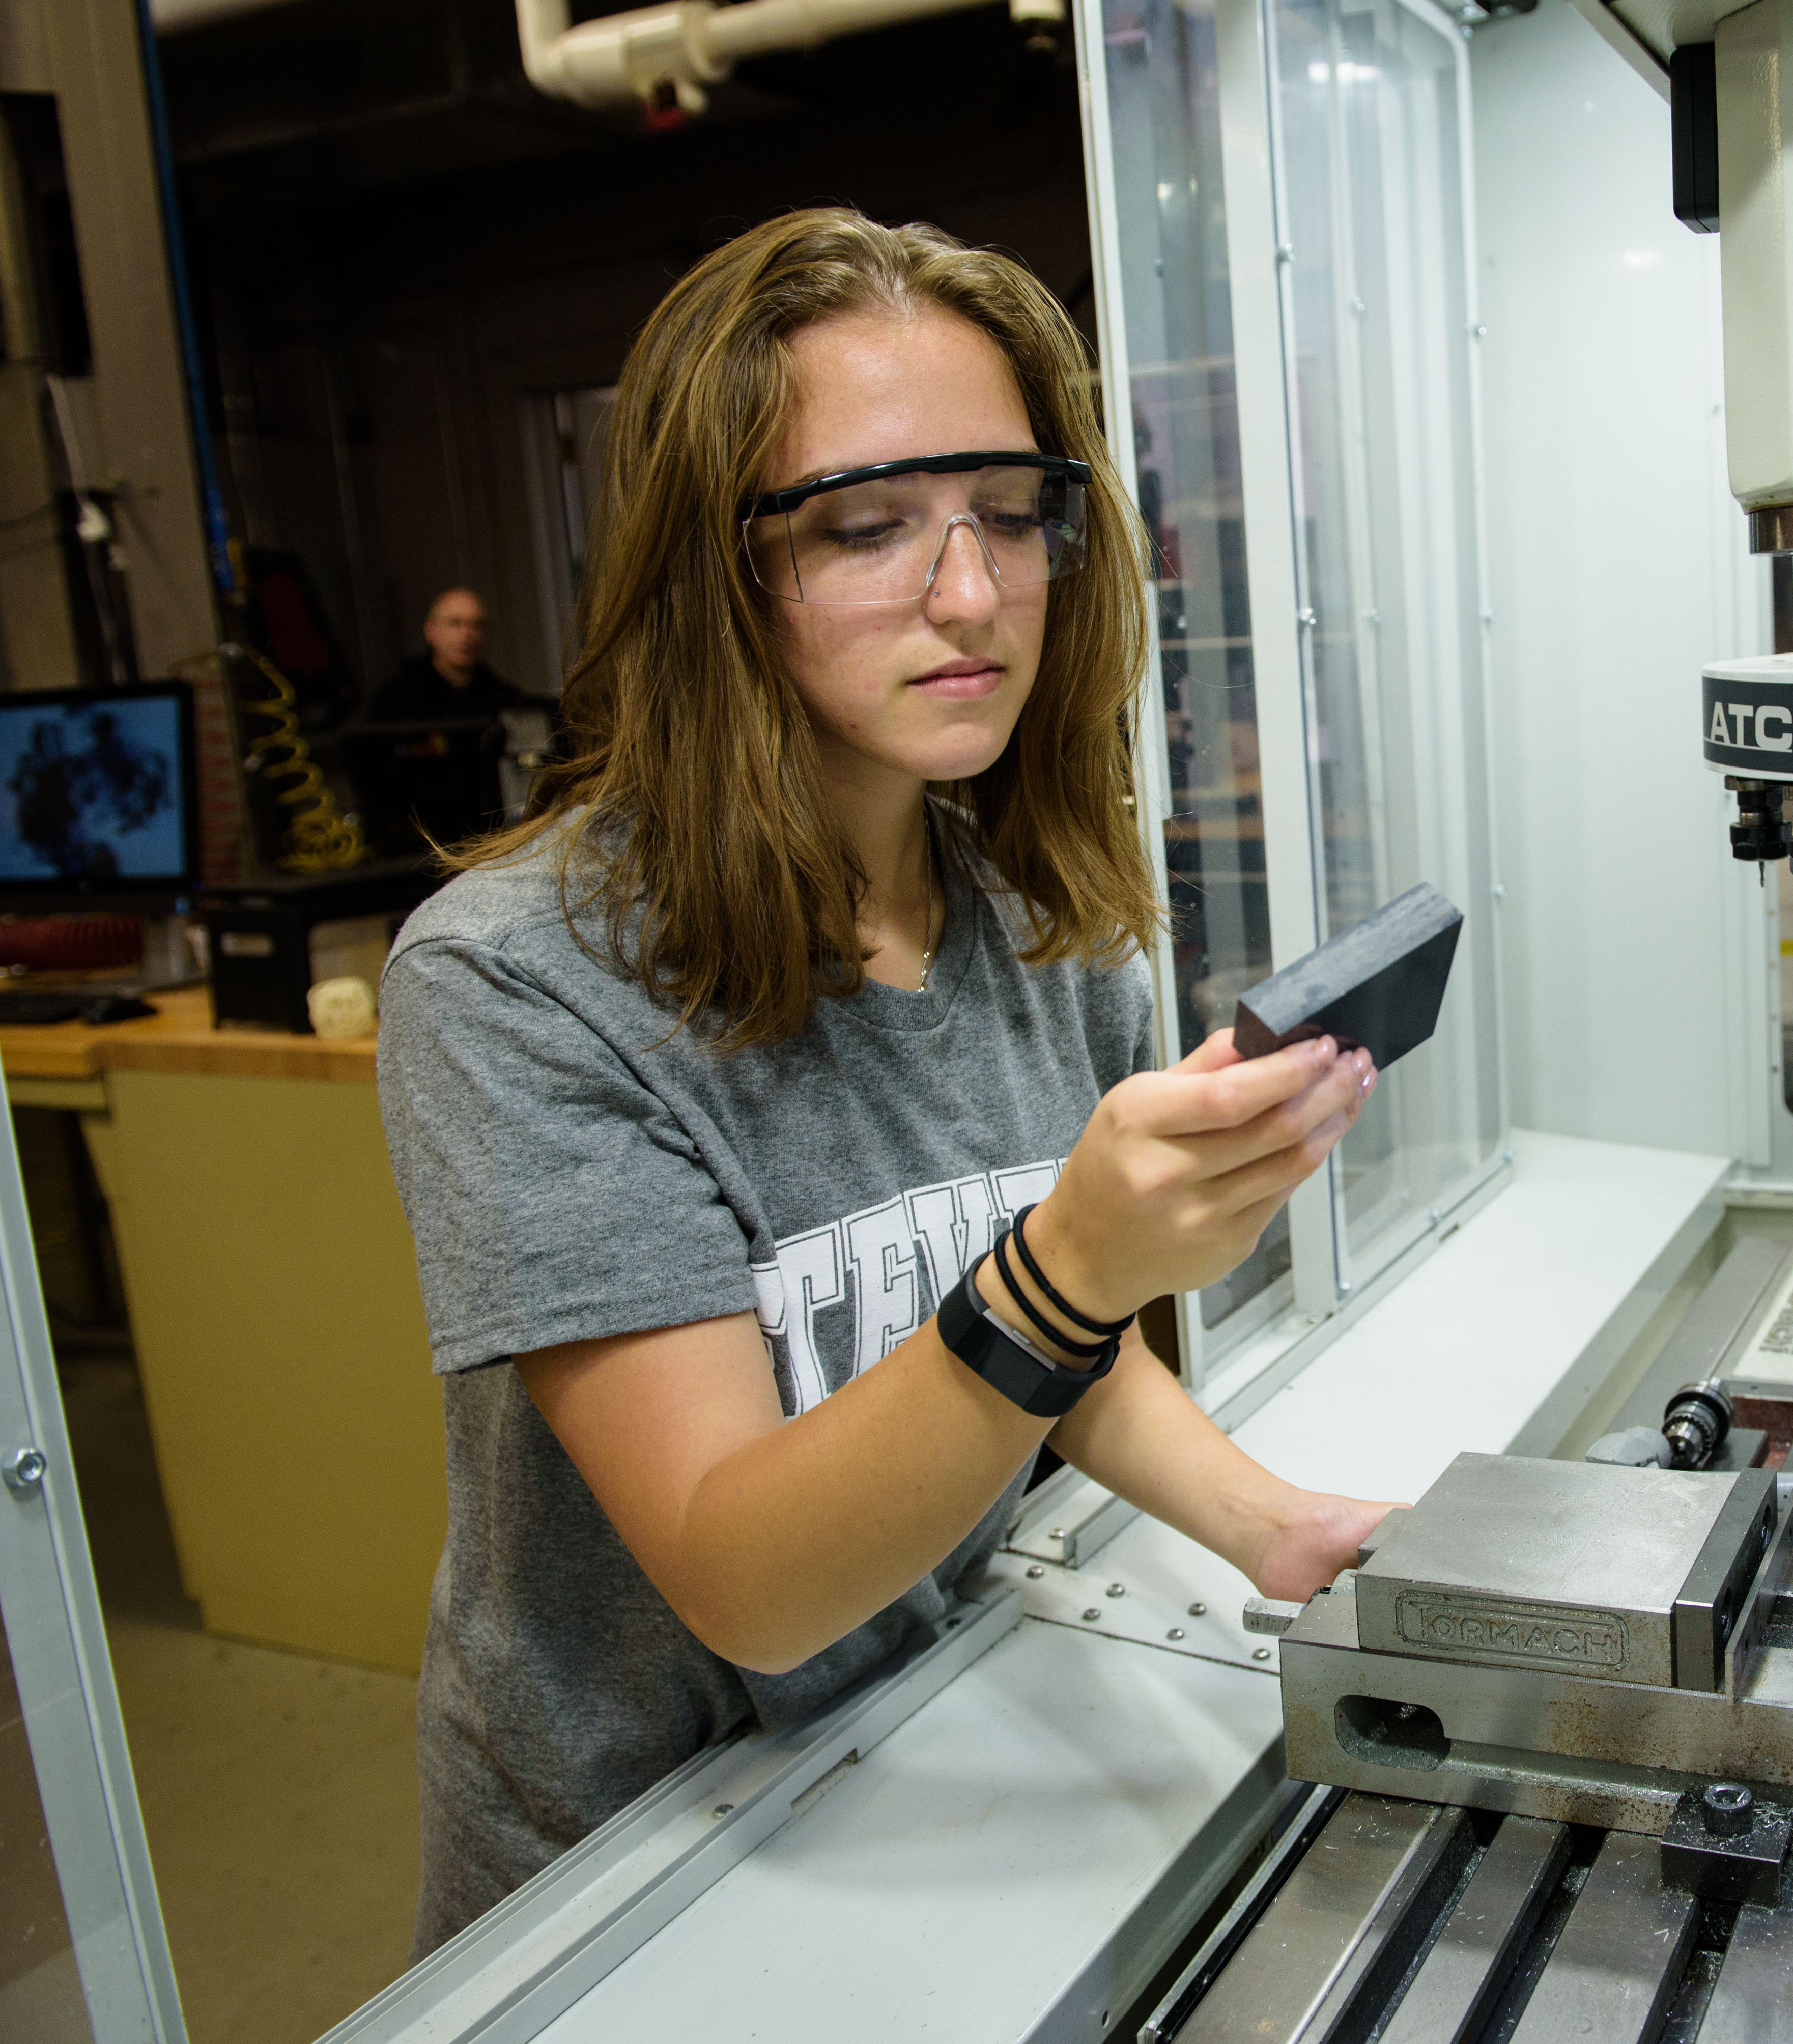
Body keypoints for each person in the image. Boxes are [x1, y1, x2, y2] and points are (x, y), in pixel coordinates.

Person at [374, 209, 1389, 1955]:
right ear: (714, 572)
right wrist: (1071, 1261)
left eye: (1007, 513)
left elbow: (1039, 1365)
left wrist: (1270, 1522)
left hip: (913, 1743)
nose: (973, 592)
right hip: (637, 1854)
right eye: (864, 525)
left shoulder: (1042, 924)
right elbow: (741, 1576)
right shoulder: (516, 986)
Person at [367, 587, 530, 722]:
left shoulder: (507, 700)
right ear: (431, 631)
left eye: (476, 625)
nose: (467, 635)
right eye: (455, 624)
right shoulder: (397, 700)